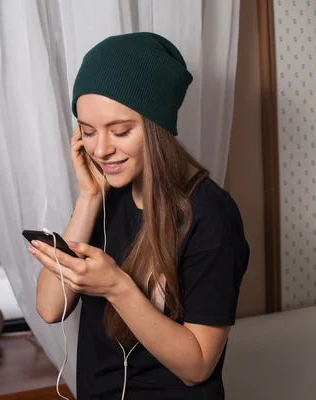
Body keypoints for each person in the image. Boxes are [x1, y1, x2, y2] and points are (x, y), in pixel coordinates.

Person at [29, 32, 249, 400]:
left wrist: (116, 287)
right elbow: (51, 307)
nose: (101, 149)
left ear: (158, 127)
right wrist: (89, 198)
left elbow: (197, 368)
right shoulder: (106, 194)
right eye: (87, 132)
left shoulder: (212, 214)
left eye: (121, 131)